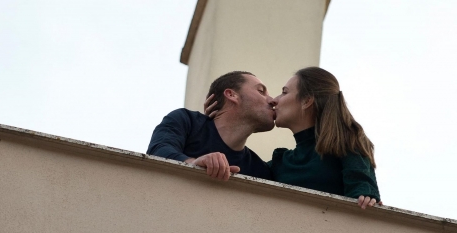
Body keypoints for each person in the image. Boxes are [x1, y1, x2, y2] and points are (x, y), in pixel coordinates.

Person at [205, 67, 381, 209]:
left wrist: (367, 197)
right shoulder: (281, 162)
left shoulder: (348, 145)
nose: (274, 100)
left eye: (284, 92)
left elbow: (362, 203)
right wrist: (216, 125)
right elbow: (229, 173)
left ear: (307, 101)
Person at [147, 71, 276, 181]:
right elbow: (157, 151)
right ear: (231, 95)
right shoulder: (186, 121)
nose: (272, 100)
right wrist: (193, 164)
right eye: (261, 91)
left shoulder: (259, 169)